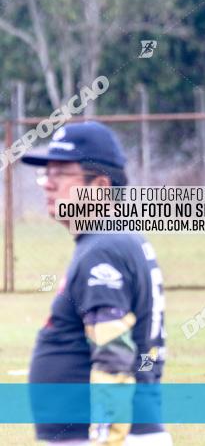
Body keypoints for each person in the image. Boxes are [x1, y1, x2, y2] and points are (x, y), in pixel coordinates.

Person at [22, 122, 170, 445]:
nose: (48, 184)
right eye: (47, 174)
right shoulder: (114, 240)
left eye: (61, 174)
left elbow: (114, 351)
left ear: (101, 186)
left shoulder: (102, 248)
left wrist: (107, 436)